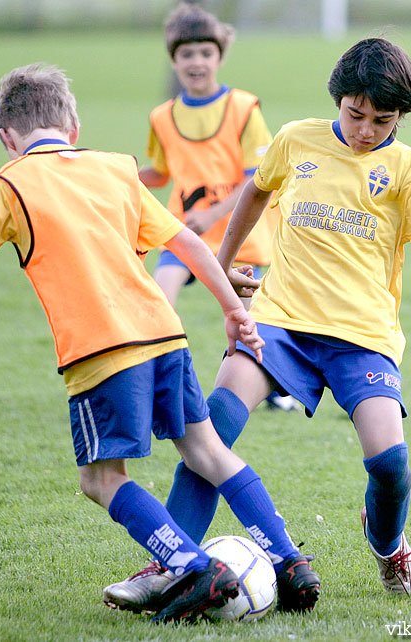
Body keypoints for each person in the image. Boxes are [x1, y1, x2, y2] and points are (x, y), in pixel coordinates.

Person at [0, 63, 320, 623]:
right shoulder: (116, 169)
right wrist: (232, 311)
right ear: (72, 126)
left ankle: (193, 568)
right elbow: (191, 244)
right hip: (165, 336)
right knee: (207, 451)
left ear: (7, 138)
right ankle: (289, 559)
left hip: (100, 353)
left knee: (100, 480)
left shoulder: (7, 183)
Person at [104, 36, 411, 609]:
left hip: (362, 337)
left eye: (383, 120)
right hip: (280, 322)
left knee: (390, 464)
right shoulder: (297, 140)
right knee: (211, 428)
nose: (367, 129)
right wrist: (220, 273)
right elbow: (254, 192)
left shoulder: (407, 169)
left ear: (401, 116)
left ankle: (387, 542)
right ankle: (167, 563)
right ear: (338, 99)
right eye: (356, 114)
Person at [143, 2, 298, 412]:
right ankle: (162, 383)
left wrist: (212, 215)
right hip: (182, 234)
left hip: (239, 235)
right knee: (159, 302)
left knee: (251, 325)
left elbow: (256, 177)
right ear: (173, 59)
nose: (197, 62)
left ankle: (274, 388)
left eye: (205, 53)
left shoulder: (243, 108)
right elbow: (159, 174)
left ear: (220, 56)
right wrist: (110, 174)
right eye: (186, 54)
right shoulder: (162, 117)